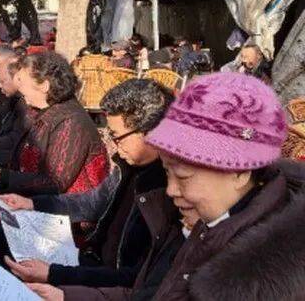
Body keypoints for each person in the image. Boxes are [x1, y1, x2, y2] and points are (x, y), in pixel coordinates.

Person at [25, 72, 305, 300]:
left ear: (240, 171)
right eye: (168, 173)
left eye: (183, 177)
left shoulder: (268, 270)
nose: (171, 190)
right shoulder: (205, 224)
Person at [0, 79, 174, 292]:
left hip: (111, 286)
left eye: (117, 137)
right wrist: (32, 204)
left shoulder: (171, 190)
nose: (114, 147)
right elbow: (92, 203)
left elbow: (135, 277)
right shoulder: (129, 166)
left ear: (152, 133)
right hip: (91, 263)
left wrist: (54, 274)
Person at [0, 52, 109, 263]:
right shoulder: (43, 111)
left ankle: (8, 271)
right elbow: (17, 146)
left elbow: (54, 182)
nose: (19, 88)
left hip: (68, 215)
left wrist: (0, 176)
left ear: (44, 86)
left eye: (23, 81)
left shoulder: (71, 121)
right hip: (39, 198)